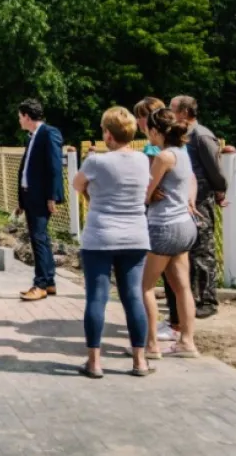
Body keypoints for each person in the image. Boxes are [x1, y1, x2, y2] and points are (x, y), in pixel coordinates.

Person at [72, 106, 153, 378]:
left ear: (108, 133)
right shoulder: (143, 160)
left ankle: (94, 362)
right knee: (133, 297)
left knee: (97, 298)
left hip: (100, 237)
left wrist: (91, 193)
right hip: (135, 236)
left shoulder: (96, 162)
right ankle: (140, 360)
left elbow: (76, 184)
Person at [141, 107, 200, 358]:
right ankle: (187, 342)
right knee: (182, 287)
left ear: (155, 131)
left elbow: (145, 192)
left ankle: (151, 345)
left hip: (163, 226)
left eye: (148, 131)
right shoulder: (183, 153)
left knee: (144, 288)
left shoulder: (163, 157)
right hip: (185, 225)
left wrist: (149, 193)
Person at [171, 95, 227, 319]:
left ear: (184, 112)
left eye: (173, 108)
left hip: (201, 198)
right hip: (187, 199)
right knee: (191, 249)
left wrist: (220, 189)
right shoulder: (184, 135)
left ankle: (207, 300)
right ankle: (193, 296)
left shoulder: (201, 135)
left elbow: (214, 169)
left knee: (203, 250)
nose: (170, 112)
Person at [133, 97, 180, 342]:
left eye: (141, 116)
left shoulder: (157, 150)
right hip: (171, 217)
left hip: (163, 218)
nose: (138, 121)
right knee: (174, 278)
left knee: (156, 280)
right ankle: (176, 323)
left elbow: (152, 179)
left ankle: (168, 328)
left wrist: (150, 192)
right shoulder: (166, 148)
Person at [16, 99, 65, 302]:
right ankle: (50, 281)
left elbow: (55, 166)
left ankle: (41, 284)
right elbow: (26, 169)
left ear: (27, 116)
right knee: (40, 238)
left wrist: (52, 196)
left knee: (39, 239)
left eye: (20, 117)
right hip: (30, 196)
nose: (19, 121)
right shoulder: (31, 137)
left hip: (41, 197)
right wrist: (20, 199)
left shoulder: (49, 133)